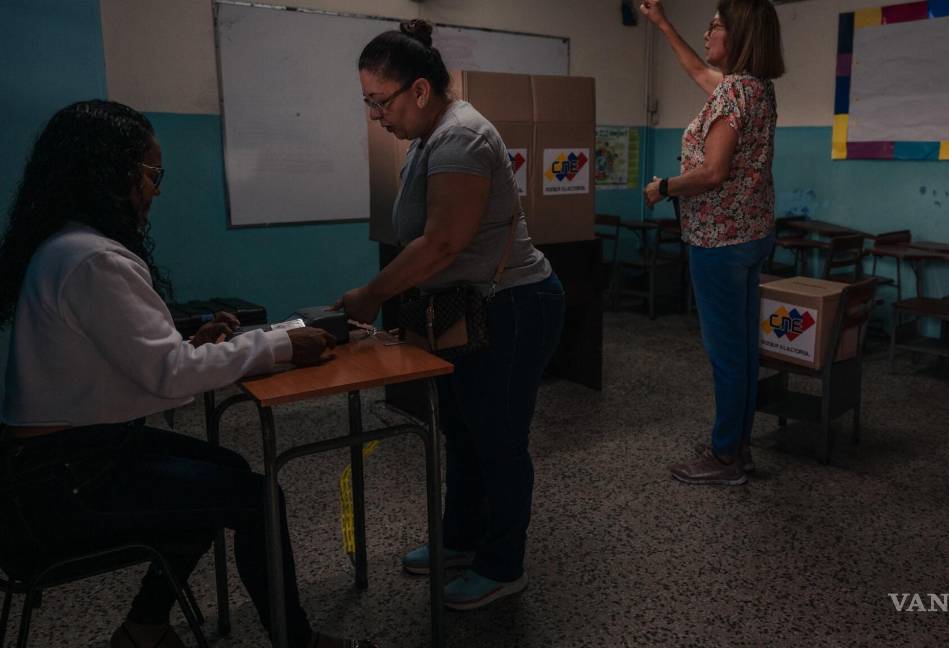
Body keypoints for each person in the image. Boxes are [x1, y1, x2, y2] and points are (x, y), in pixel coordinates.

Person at [0, 100, 372, 648]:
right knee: (253, 495)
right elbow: (170, 377)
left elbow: (122, 365)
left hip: (60, 462)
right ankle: (299, 641)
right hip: (67, 482)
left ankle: (144, 628)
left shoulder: (66, 246)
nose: (156, 188)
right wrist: (279, 344)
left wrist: (187, 345)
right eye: (151, 173)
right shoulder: (94, 259)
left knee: (221, 474)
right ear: (110, 172)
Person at [337, 20, 565, 610]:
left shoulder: (462, 137)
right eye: (366, 101)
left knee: (498, 439)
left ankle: (502, 564)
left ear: (418, 90)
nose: (374, 115)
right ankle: (461, 540)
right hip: (473, 308)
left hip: (512, 306)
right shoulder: (429, 137)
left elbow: (442, 244)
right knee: (463, 432)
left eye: (378, 101)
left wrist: (368, 295)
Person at [639, 0, 785, 486]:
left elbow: (712, 173)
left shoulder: (732, 95)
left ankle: (725, 458)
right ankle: (736, 448)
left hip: (719, 241)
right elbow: (695, 67)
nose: (707, 34)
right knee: (742, 351)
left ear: (740, 35)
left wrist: (664, 188)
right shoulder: (755, 89)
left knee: (726, 353)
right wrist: (662, 23)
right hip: (752, 235)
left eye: (716, 26)